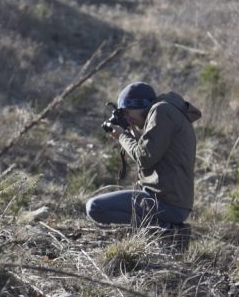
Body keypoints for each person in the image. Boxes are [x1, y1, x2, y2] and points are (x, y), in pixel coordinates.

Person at [86, 82, 201, 231]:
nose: (127, 118)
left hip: (166, 203)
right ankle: (161, 227)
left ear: (140, 105)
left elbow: (144, 157)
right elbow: (151, 151)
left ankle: (164, 228)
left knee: (95, 207)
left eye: (127, 112)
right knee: (98, 207)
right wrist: (131, 132)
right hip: (168, 200)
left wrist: (122, 136)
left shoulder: (162, 111)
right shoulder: (168, 111)